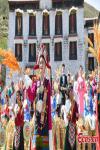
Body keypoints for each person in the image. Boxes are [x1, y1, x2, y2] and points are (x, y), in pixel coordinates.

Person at [28, 44, 52, 150]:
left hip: (45, 120)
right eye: (40, 63)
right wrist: (28, 86)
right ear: (38, 65)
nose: (41, 65)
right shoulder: (35, 82)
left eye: (43, 63)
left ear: (45, 65)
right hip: (37, 121)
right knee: (37, 146)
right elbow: (31, 96)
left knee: (44, 147)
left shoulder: (47, 83)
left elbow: (49, 98)